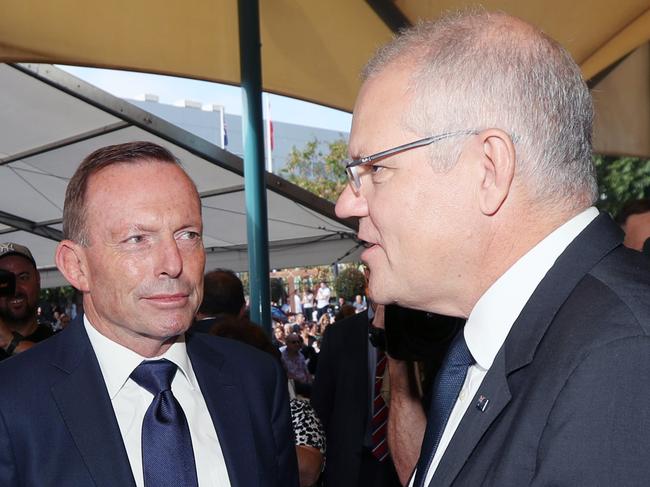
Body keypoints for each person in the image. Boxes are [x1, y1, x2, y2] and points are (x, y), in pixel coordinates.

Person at [335, 10, 650, 487]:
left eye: (374, 168)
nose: (345, 203)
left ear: (489, 169)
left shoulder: (621, 361)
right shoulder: (533, 335)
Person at [0, 141, 298, 486]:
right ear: (76, 266)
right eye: (137, 239)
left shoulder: (256, 379)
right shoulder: (12, 402)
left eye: (188, 235)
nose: (174, 264)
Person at [312, 305, 402, 487]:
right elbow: (321, 403)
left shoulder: (417, 330)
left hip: (401, 462)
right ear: (367, 277)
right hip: (349, 463)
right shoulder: (339, 334)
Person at [0, 242, 55, 360]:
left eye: (23, 277)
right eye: (4, 281)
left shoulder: (61, 341)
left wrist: (11, 343)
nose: (15, 290)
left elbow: (62, 365)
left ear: (37, 278)